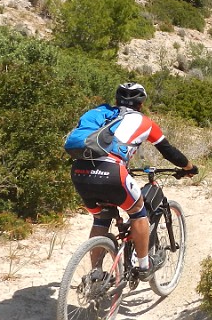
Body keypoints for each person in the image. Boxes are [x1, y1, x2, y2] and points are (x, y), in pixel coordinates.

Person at [70, 82, 198, 281]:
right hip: (112, 172)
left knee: (101, 219)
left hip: (79, 171)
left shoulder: (99, 112)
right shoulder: (145, 122)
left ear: (116, 100)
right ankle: (144, 266)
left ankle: (96, 271)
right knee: (139, 212)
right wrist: (189, 167)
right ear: (141, 104)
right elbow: (168, 151)